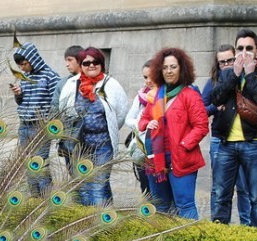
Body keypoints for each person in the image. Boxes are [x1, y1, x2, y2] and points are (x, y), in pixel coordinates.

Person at [209, 29, 257, 230]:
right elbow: (216, 98)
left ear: (256, 51)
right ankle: (219, 235)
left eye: (249, 48)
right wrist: (235, 75)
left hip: (253, 143)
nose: (244, 52)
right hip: (226, 144)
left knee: (256, 196)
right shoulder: (227, 74)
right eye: (240, 48)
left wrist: (249, 76)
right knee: (221, 195)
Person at [139, 48, 209, 219]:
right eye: (165, 67)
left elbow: (201, 126)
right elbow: (142, 121)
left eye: (173, 67)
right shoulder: (157, 97)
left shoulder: (190, 95)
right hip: (157, 159)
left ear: (181, 69)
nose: (169, 71)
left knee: (185, 205)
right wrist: (149, 123)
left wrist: (184, 145)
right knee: (160, 207)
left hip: (181, 158)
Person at [59, 47, 128, 206]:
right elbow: (64, 110)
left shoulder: (111, 85)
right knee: (82, 186)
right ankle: (86, 223)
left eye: (95, 62)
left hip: (102, 145)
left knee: (98, 186)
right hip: (79, 144)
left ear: (101, 64)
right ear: (81, 65)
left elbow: (121, 114)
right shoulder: (71, 84)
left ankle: (100, 224)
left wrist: (106, 128)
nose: (91, 65)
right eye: (87, 62)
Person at [202, 45, 251, 225]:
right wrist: (215, 107)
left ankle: (248, 225)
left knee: (245, 187)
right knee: (219, 188)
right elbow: (201, 109)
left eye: (230, 60)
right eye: (222, 62)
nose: (227, 65)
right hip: (220, 139)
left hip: (244, 139)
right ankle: (219, 226)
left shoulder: (246, 78)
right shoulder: (214, 82)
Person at [11, 42, 60, 197]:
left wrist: (48, 123)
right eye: (19, 66)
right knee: (28, 164)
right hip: (24, 126)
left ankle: (46, 199)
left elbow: (56, 103)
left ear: (33, 59)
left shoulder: (50, 77)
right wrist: (18, 95)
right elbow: (21, 102)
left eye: (23, 64)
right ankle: (34, 199)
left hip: (40, 126)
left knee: (39, 163)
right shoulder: (25, 78)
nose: (22, 68)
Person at [125, 61, 155, 194]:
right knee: (146, 187)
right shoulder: (141, 96)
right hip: (142, 147)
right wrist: (142, 124)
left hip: (159, 148)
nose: (148, 81)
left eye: (151, 76)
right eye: (145, 77)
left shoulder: (166, 95)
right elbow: (128, 119)